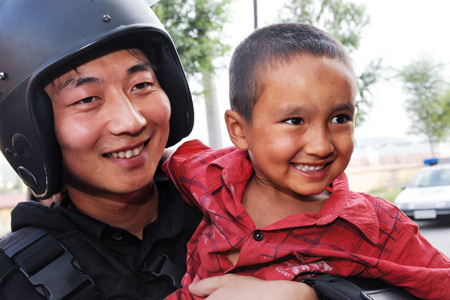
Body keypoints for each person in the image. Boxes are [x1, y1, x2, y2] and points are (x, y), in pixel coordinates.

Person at [0, 1, 320, 299]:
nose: (132, 120)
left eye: (141, 85)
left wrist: (308, 294)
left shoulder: (246, 201)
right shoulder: (14, 279)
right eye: (87, 100)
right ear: (33, 128)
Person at [162, 23, 450, 300]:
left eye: (340, 118)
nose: (321, 145)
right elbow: (158, 158)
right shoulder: (209, 174)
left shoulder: (378, 228)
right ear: (239, 130)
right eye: (294, 120)